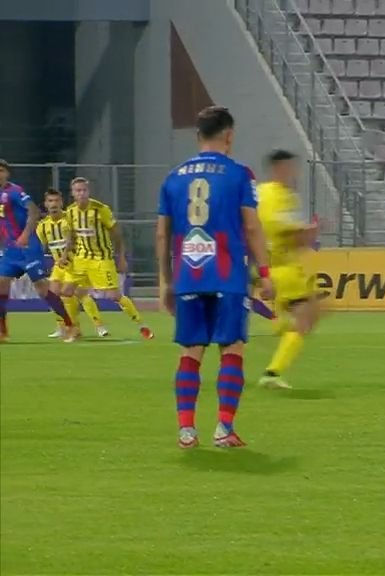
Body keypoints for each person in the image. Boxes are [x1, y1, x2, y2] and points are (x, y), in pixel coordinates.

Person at [156, 105, 274, 448]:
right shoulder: (240, 174)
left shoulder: (173, 177)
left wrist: (165, 281)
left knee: (191, 351)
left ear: (197, 135)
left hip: (188, 276)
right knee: (232, 348)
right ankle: (224, 428)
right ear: (229, 135)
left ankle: (186, 431)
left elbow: (162, 233)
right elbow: (252, 226)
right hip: (228, 276)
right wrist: (265, 273)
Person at [256, 150, 320, 390]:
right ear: (279, 168)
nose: (293, 173)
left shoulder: (259, 193)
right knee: (307, 317)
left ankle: (280, 323)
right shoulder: (279, 196)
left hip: (267, 266)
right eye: (290, 167)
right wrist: (310, 231)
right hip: (282, 268)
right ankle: (273, 372)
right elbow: (287, 233)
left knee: (309, 313)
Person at [59, 177, 152, 340]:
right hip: (80, 259)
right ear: (73, 193)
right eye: (78, 191)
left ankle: (141, 325)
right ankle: (74, 329)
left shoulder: (100, 209)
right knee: (66, 292)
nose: (81, 193)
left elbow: (117, 234)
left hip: (101, 259)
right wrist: (65, 255)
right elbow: (71, 236)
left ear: (88, 191)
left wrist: (121, 256)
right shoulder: (71, 212)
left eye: (84, 190)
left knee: (113, 296)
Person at [0, 159, 76, 341]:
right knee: (1, 284)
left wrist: (26, 235)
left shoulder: (15, 191)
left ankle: (70, 325)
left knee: (42, 289)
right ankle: (2, 331)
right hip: (11, 250)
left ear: (7, 173)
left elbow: (33, 211)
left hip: (28, 248)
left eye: (1, 170)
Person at [36, 188, 107, 339]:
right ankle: (63, 327)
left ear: (61, 202)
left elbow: (77, 238)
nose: (53, 204)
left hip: (75, 263)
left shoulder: (69, 219)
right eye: (50, 201)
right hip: (59, 265)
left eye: (56, 200)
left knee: (80, 294)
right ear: (46, 204)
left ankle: (99, 325)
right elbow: (39, 246)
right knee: (54, 295)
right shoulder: (43, 225)